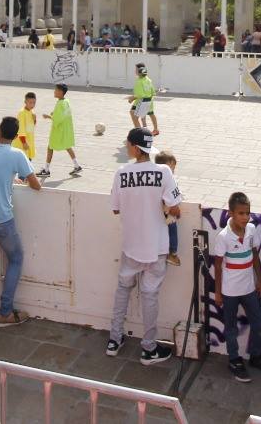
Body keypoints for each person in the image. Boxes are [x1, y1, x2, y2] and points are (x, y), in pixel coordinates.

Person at [107, 127, 179, 365]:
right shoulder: (164, 171)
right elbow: (175, 207)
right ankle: (148, 348)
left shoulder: (121, 173)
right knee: (150, 296)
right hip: (156, 246)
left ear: (136, 148)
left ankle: (114, 340)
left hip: (131, 245)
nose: (127, 147)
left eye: (128, 144)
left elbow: (115, 208)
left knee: (122, 290)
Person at [0, 116, 42, 328]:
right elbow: (36, 185)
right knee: (16, 258)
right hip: (2, 219)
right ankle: (5, 311)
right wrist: (19, 176)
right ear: (15, 136)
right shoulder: (17, 154)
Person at [213, 191, 261, 382]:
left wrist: (259, 280)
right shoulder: (223, 237)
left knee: (258, 324)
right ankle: (234, 360)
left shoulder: (251, 230)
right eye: (241, 213)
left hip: (249, 288)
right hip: (229, 291)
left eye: (247, 213)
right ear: (231, 213)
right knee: (231, 328)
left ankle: (256, 357)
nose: (245, 217)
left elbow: (255, 255)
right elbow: (217, 266)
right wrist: (218, 293)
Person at [39, 83, 81, 178]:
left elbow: (58, 119)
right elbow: (63, 113)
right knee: (67, 146)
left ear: (61, 92)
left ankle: (46, 170)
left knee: (50, 147)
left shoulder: (60, 103)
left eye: (56, 90)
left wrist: (48, 116)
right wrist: (54, 113)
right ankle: (77, 165)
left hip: (59, 130)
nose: (54, 91)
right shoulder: (66, 101)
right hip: (66, 129)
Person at [154, 151, 182, 266]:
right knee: (172, 230)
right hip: (167, 212)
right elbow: (171, 202)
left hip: (156, 214)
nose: (173, 171)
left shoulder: (154, 177)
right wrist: (176, 211)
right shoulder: (168, 179)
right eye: (172, 167)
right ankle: (172, 253)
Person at [128, 62, 160, 135]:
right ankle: (153, 129)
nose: (135, 71)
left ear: (140, 71)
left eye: (136, 69)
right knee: (148, 114)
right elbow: (153, 92)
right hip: (148, 101)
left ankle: (140, 133)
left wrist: (131, 98)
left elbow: (139, 95)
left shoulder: (139, 81)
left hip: (141, 102)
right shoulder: (148, 80)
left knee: (134, 116)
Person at [14, 92, 37, 161]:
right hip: (22, 143)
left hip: (29, 141)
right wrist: (24, 142)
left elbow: (31, 126)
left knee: (28, 160)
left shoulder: (31, 112)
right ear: (25, 102)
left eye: (34, 103)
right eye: (30, 103)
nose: (32, 105)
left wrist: (34, 119)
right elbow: (21, 129)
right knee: (23, 161)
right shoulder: (22, 113)